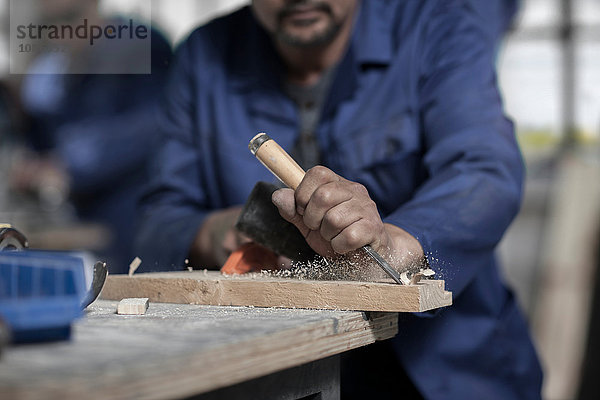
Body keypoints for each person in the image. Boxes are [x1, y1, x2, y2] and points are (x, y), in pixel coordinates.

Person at [135, 0, 542, 398]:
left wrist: (399, 244)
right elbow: (156, 222)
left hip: (452, 368)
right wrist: (214, 233)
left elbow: (484, 171)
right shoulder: (204, 53)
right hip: (277, 367)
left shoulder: (437, 23)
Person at [13, 0, 172, 272]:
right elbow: (40, 140)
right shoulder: (52, 67)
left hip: (135, 227)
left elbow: (154, 125)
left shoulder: (139, 45)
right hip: (78, 226)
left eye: (69, 21)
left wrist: (65, 165)